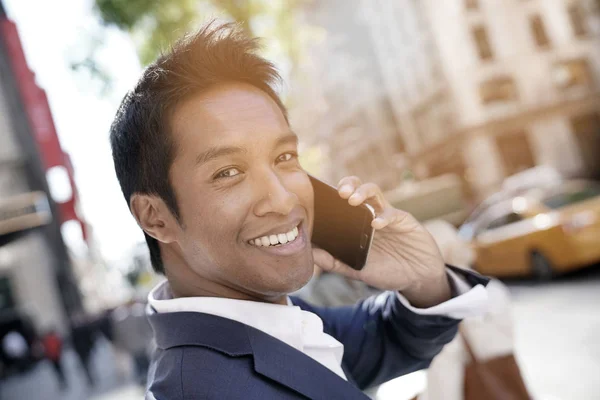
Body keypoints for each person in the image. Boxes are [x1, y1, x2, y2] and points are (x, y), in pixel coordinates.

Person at [109, 22, 490, 399]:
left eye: (284, 156)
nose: (282, 198)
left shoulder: (262, 315)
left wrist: (423, 281)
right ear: (154, 217)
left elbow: (388, 340)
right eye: (228, 172)